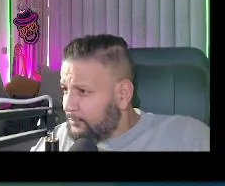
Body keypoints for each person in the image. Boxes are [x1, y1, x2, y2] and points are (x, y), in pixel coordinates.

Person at [30, 34, 210, 151]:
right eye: (65, 89)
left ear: (123, 94)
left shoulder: (189, 138)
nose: (67, 105)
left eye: (83, 91)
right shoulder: (58, 139)